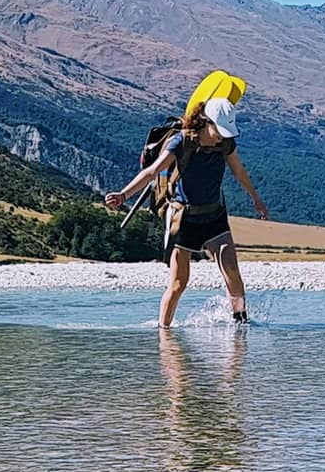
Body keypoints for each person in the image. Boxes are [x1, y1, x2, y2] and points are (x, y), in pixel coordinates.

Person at [105, 97, 271, 326]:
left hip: (215, 216)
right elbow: (152, 172)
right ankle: (164, 332)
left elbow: (239, 171)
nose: (222, 136)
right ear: (205, 121)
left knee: (232, 270)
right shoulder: (181, 142)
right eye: (218, 131)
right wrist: (123, 195)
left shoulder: (225, 144)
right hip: (183, 220)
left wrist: (256, 199)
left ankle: (240, 323)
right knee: (179, 282)